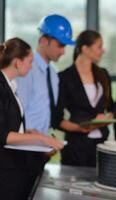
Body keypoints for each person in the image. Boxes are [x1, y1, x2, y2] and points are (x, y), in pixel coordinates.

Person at [0, 38, 64, 200]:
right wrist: (40, 138)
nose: (31, 66)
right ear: (17, 62)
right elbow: (3, 134)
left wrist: (29, 132)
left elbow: (10, 124)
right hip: (5, 168)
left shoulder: (10, 85)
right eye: (29, 62)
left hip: (13, 164)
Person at [16, 14, 75, 188]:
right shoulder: (26, 70)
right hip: (22, 152)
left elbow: (45, 115)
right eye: (60, 45)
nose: (63, 51)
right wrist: (37, 139)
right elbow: (19, 115)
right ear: (43, 40)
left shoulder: (54, 74)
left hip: (40, 152)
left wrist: (47, 141)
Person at [57, 30, 114, 167]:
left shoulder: (103, 74)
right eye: (99, 46)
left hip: (101, 145)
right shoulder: (64, 77)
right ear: (85, 49)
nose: (103, 50)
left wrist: (109, 117)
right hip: (76, 146)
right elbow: (57, 118)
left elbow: (112, 106)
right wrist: (79, 128)